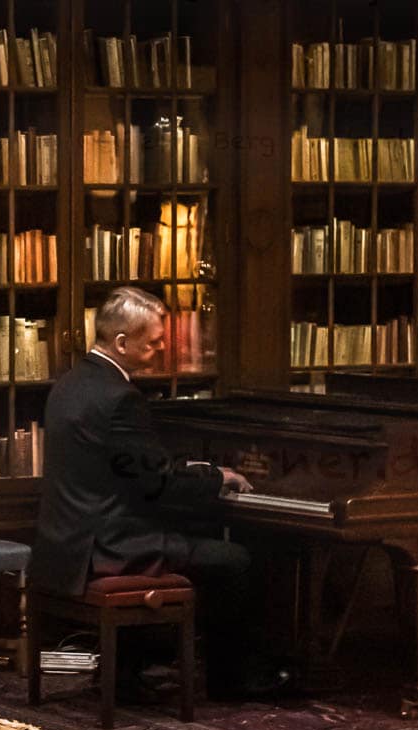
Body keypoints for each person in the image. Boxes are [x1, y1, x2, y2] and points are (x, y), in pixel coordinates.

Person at [30, 286, 288, 701]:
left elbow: (132, 470)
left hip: (66, 541)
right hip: (111, 544)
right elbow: (157, 483)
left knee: (194, 540)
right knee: (237, 560)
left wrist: (199, 474)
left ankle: (129, 672)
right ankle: (235, 678)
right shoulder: (120, 398)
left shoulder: (70, 384)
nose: (161, 348)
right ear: (121, 342)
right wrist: (217, 481)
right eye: (153, 342)